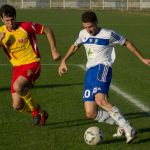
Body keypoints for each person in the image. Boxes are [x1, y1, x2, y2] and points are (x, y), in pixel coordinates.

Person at [58, 11, 150, 143]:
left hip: (103, 67)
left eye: (90, 26)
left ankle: (129, 129)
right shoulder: (82, 34)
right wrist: (63, 60)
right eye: (85, 27)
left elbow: (127, 43)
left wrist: (142, 59)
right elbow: (75, 46)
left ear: (96, 22)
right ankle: (121, 125)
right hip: (90, 72)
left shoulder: (109, 34)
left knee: (101, 100)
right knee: (91, 113)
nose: (88, 30)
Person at [0, 4, 60, 126]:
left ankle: (35, 111)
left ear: (15, 17)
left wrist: (53, 50)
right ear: (2, 20)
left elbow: (47, 30)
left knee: (18, 86)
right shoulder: (1, 32)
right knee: (17, 106)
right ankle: (41, 113)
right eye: (7, 20)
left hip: (32, 63)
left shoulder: (26, 26)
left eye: (12, 19)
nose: (10, 22)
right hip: (17, 68)